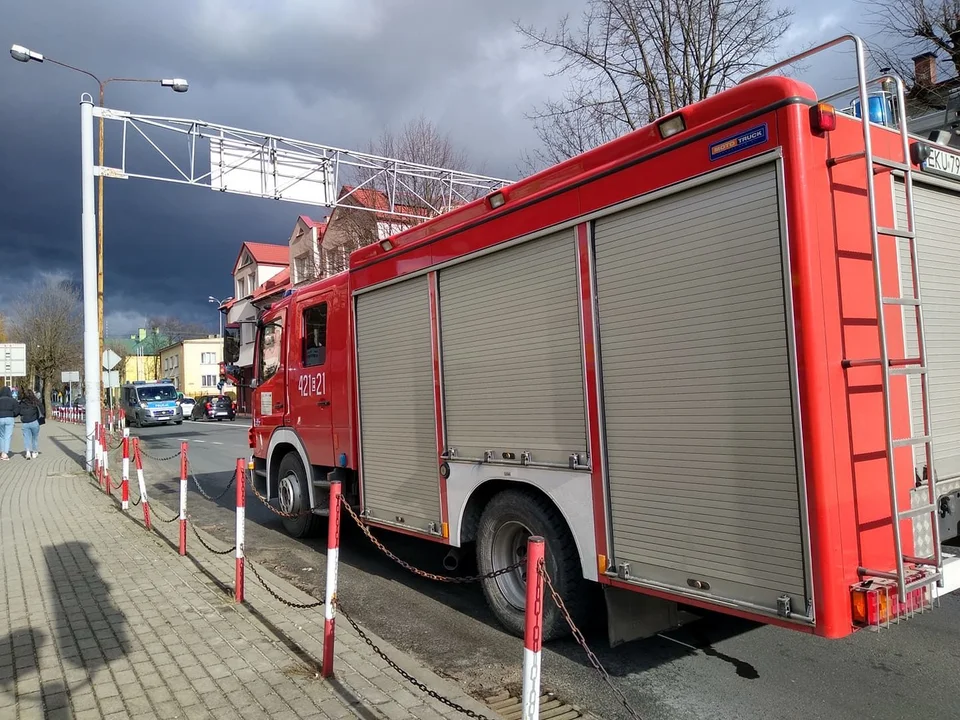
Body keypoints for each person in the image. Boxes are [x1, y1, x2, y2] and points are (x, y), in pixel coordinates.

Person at [18, 388, 43, 459]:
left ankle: (27, 452)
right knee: (34, 438)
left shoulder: (22, 402)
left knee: (26, 438)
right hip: (34, 422)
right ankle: (34, 452)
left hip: (25, 423)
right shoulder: (35, 402)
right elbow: (42, 409)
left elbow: (19, 411)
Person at [0, 387, 18, 461]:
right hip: (9, 418)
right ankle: (5, 453)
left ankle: (2, 451)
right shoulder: (13, 400)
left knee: (1, 436)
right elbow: (17, 409)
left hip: (0, 418)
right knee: (8, 436)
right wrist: (13, 414)